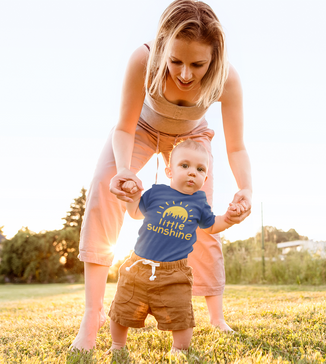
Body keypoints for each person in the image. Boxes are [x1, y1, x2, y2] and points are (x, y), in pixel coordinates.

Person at [71, 0, 252, 350]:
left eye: (197, 64)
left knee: (201, 216)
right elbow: (123, 127)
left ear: (214, 58)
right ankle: (92, 315)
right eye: (176, 62)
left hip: (191, 138)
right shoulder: (143, 59)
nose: (185, 74)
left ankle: (216, 315)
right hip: (139, 129)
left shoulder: (227, 80)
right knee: (103, 191)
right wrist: (124, 170)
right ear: (163, 46)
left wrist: (246, 188)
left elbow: (237, 148)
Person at [108, 140, 244, 354]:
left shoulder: (199, 202)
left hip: (175, 273)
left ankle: (179, 349)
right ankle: (117, 346)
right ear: (169, 171)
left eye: (200, 169)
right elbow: (135, 213)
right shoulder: (156, 193)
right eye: (185, 166)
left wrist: (229, 218)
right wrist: (133, 197)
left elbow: (211, 226)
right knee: (122, 309)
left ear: (205, 178)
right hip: (138, 267)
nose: (192, 173)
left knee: (181, 315)